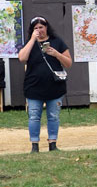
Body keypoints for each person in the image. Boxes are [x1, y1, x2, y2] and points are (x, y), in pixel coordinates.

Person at [18, 16, 72, 153]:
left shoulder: (57, 42)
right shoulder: (29, 43)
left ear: (47, 27)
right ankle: (34, 145)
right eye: (35, 28)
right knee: (34, 116)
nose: (39, 30)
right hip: (34, 87)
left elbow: (68, 63)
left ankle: (52, 144)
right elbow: (22, 58)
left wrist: (56, 54)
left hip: (54, 87)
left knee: (53, 116)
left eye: (41, 27)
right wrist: (32, 40)